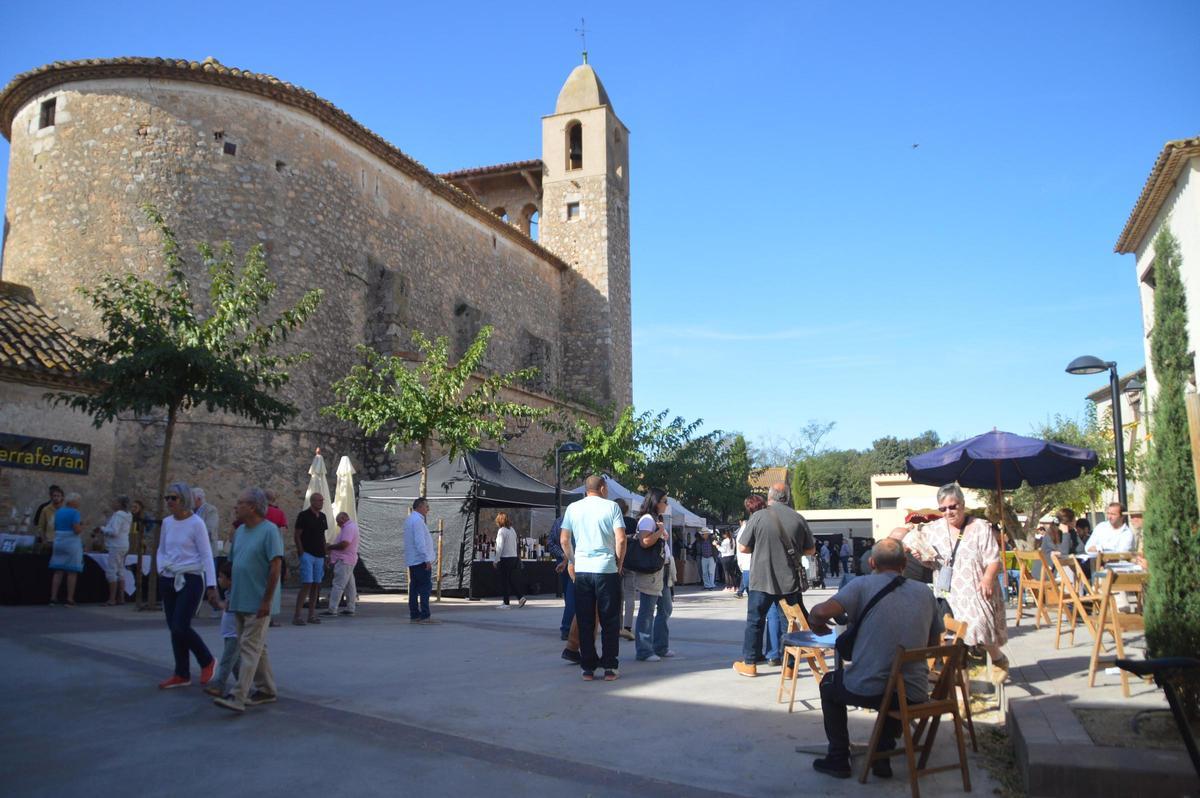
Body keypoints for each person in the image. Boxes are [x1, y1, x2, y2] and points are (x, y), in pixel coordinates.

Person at [808, 538, 943, 780]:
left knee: (829, 684)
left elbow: (821, 611)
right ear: (904, 563)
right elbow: (933, 646)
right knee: (895, 689)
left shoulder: (862, 585)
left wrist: (815, 621)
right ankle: (882, 755)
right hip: (913, 693)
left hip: (870, 689)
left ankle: (838, 758)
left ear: (872, 562)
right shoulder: (925, 592)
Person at [733, 482, 816, 677]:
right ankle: (789, 667)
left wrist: (762, 546)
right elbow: (811, 550)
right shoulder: (798, 518)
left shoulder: (758, 517)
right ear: (787, 497)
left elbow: (743, 547)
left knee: (755, 621)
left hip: (761, 579)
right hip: (789, 580)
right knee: (790, 622)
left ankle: (750, 664)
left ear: (769, 497)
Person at [213, 487, 282, 713]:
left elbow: (275, 568)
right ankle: (267, 689)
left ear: (252, 507)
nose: (235, 506)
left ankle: (238, 695)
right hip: (240, 600)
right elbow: (234, 566)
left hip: (258, 600)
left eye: (240, 503)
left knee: (248, 648)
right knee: (257, 648)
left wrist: (266, 601)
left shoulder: (270, 531)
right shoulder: (241, 532)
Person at [925, 484, 1008, 666]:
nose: (948, 512)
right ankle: (962, 677)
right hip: (947, 591)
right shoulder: (933, 530)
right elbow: (929, 560)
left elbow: (994, 559)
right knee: (952, 637)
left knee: (980, 627)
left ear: (962, 504)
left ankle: (997, 658)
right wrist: (920, 555)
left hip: (976, 588)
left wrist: (987, 578)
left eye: (952, 506)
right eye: (943, 508)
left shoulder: (979, 527)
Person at [560, 474, 627, 681]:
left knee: (585, 619)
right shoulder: (612, 508)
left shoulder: (573, 508)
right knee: (609, 619)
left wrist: (573, 560)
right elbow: (621, 539)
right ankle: (609, 667)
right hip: (606, 569)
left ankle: (587, 668)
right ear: (603, 488)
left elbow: (564, 540)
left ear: (585, 489)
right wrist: (619, 562)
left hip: (583, 570)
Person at [156, 482, 219, 689]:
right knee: (174, 628)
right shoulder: (167, 522)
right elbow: (162, 549)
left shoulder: (196, 523)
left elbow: (206, 555)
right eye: (168, 498)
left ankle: (206, 660)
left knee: (180, 625)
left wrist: (211, 585)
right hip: (169, 576)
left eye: (173, 498)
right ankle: (181, 673)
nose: (169, 502)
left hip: (190, 578)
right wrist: (161, 569)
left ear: (184, 500)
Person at [633, 488, 675, 661]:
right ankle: (644, 650)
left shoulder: (656, 519)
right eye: (665, 501)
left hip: (662, 570)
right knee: (647, 610)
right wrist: (659, 532)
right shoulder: (647, 520)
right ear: (656, 502)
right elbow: (644, 542)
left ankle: (660, 646)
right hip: (651, 571)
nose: (667, 504)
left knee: (665, 608)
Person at [203, 560, 240, 698]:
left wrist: (219, 604)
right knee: (236, 663)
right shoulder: (229, 592)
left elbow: (230, 606)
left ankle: (219, 685)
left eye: (221, 577)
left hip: (235, 634)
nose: (219, 580)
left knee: (227, 660)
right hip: (229, 632)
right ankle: (243, 686)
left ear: (230, 580)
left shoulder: (235, 594)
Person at [292, 493, 328, 625]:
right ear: (312, 501)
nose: (321, 502)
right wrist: (301, 552)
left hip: (319, 555)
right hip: (307, 554)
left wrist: (325, 555)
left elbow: (323, 537)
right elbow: (297, 535)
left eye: (322, 500)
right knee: (307, 583)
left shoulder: (323, 517)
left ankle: (311, 615)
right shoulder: (303, 516)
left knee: (316, 585)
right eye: (319, 500)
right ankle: (297, 615)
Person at [404, 497, 437, 624]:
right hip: (420, 560)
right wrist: (426, 559)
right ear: (419, 507)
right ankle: (425, 615)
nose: (428, 509)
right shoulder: (417, 521)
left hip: (413, 560)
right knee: (424, 588)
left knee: (414, 588)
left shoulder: (409, 519)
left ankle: (414, 614)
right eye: (426, 506)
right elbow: (420, 542)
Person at [48, 492, 85, 606]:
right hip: (71, 542)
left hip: (59, 541)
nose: (79, 503)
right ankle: (69, 598)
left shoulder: (59, 511)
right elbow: (76, 530)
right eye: (78, 501)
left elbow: (54, 526)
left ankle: (53, 597)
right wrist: (84, 525)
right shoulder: (75, 513)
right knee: (71, 572)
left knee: (58, 571)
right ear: (73, 502)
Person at [322, 512, 359, 617]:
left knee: (338, 585)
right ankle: (350, 608)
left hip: (344, 560)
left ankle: (332, 609)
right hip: (349, 559)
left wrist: (330, 547)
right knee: (350, 585)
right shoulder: (350, 527)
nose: (338, 525)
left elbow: (344, 544)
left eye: (339, 522)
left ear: (344, 518)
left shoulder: (348, 528)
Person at [98, 495, 132, 606]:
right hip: (124, 544)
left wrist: (102, 529)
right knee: (120, 570)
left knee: (112, 571)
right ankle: (121, 598)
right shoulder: (128, 515)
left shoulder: (118, 515)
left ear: (119, 504)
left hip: (115, 545)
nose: (112, 503)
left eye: (115, 502)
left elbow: (114, 531)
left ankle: (112, 599)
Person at [545, 516, 573, 641]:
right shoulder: (578, 520)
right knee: (573, 596)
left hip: (563, 561)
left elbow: (550, 542)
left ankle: (568, 626)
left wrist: (562, 556)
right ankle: (568, 627)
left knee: (569, 595)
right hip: (575, 561)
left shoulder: (559, 521)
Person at [264, 490, 289, 626]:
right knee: (273, 585)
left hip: (259, 552)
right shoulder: (278, 513)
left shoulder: (257, 512)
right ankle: (269, 617)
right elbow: (283, 531)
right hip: (274, 552)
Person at [493, 512, 527, 609]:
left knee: (504, 581)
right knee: (511, 580)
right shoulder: (512, 530)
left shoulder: (501, 531)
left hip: (505, 558)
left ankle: (506, 603)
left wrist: (496, 560)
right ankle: (520, 597)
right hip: (513, 558)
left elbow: (499, 547)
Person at [616, 498, 637, 640]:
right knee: (630, 595)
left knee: (618, 596)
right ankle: (628, 626)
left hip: (617, 561)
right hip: (631, 560)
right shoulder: (632, 522)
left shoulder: (613, 522)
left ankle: (618, 626)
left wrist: (618, 562)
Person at [734, 495, 764, 598]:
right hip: (756, 566)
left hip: (750, 566)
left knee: (755, 603)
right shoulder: (751, 524)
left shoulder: (749, 525)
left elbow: (742, 547)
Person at [34, 485, 64, 549]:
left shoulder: (66, 510)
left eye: (58, 496)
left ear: (62, 497)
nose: (56, 498)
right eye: (54, 496)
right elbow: (40, 526)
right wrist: (44, 540)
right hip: (49, 541)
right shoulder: (45, 509)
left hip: (62, 542)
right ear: (51, 497)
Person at [192, 488, 220, 553]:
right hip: (194, 552)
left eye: (192, 499)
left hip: (208, 551)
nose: (190, 501)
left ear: (198, 499)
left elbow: (209, 531)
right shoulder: (191, 511)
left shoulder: (211, 510)